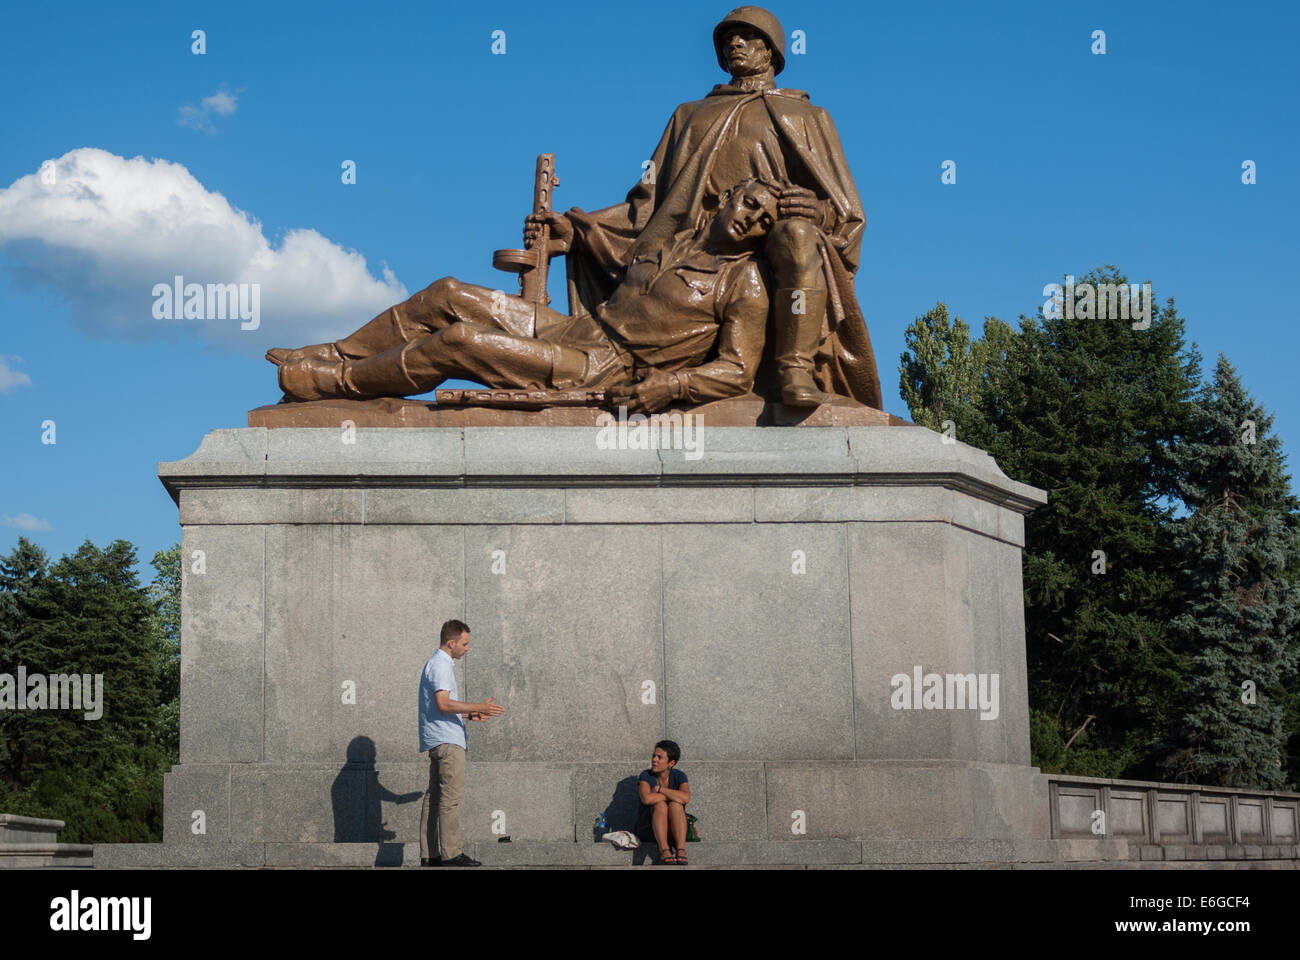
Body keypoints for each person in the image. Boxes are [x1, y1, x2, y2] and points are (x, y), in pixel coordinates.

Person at [533, 5, 882, 409]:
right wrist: (578, 231)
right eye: (728, 38)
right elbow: (648, 199)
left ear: (771, 51)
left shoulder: (806, 116)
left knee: (798, 234)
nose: (735, 43)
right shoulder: (689, 116)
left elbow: (846, 211)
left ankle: (795, 368)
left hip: (773, 237)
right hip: (696, 244)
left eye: (748, 36)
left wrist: (818, 211)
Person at [268, 178, 782, 414]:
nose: (751, 219)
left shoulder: (745, 283)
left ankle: (336, 381)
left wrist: (671, 386)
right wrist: (566, 238)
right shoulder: (672, 239)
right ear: (728, 195)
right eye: (750, 204)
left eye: (763, 221)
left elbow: (737, 369)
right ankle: (336, 350)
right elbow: (612, 261)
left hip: (599, 365)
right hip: (573, 329)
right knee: (446, 292)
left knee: (459, 340)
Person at [417, 619, 505, 867]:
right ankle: (451, 853)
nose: (467, 649)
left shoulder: (434, 664)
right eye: (465, 644)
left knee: (434, 798)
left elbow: (439, 707)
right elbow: (444, 704)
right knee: (450, 798)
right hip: (448, 742)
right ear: (451, 642)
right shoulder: (442, 665)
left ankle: (430, 854)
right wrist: (480, 706)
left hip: (437, 739)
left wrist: (469, 715)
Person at [636, 740, 691, 864]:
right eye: (654, 756)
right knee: (661, 805)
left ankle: (681, 849)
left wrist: (661, 790)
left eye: (659, 757)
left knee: (676, 805)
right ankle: (664, 850)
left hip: (675, 828)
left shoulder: (679, 775)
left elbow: (686, 798)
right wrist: (672, 795)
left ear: (671, 763)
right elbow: (647, 799)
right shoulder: (646, 775)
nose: (654, 759)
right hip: (650, 829)